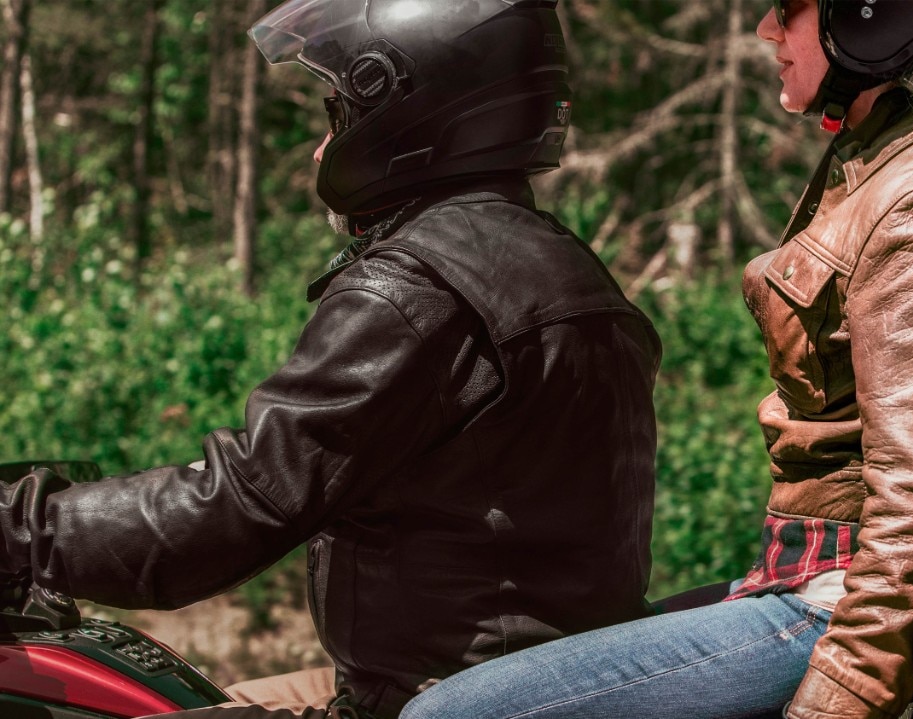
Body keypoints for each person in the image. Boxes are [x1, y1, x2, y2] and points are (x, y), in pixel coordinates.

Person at [398, 1, 913, 718]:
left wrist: (840, 697)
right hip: (804, 574)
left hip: (838, 602)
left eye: (791, 8)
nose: (769, 30)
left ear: (872, 17)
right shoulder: (877, 155)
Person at [0, 1, 661, 717]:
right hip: (528, 682)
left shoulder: (415, 290)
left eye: (338, 117)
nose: (321, 149)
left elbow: (239, 503)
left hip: (444, 698)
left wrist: (17, 527)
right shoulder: (568, 267)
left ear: (410, 117)